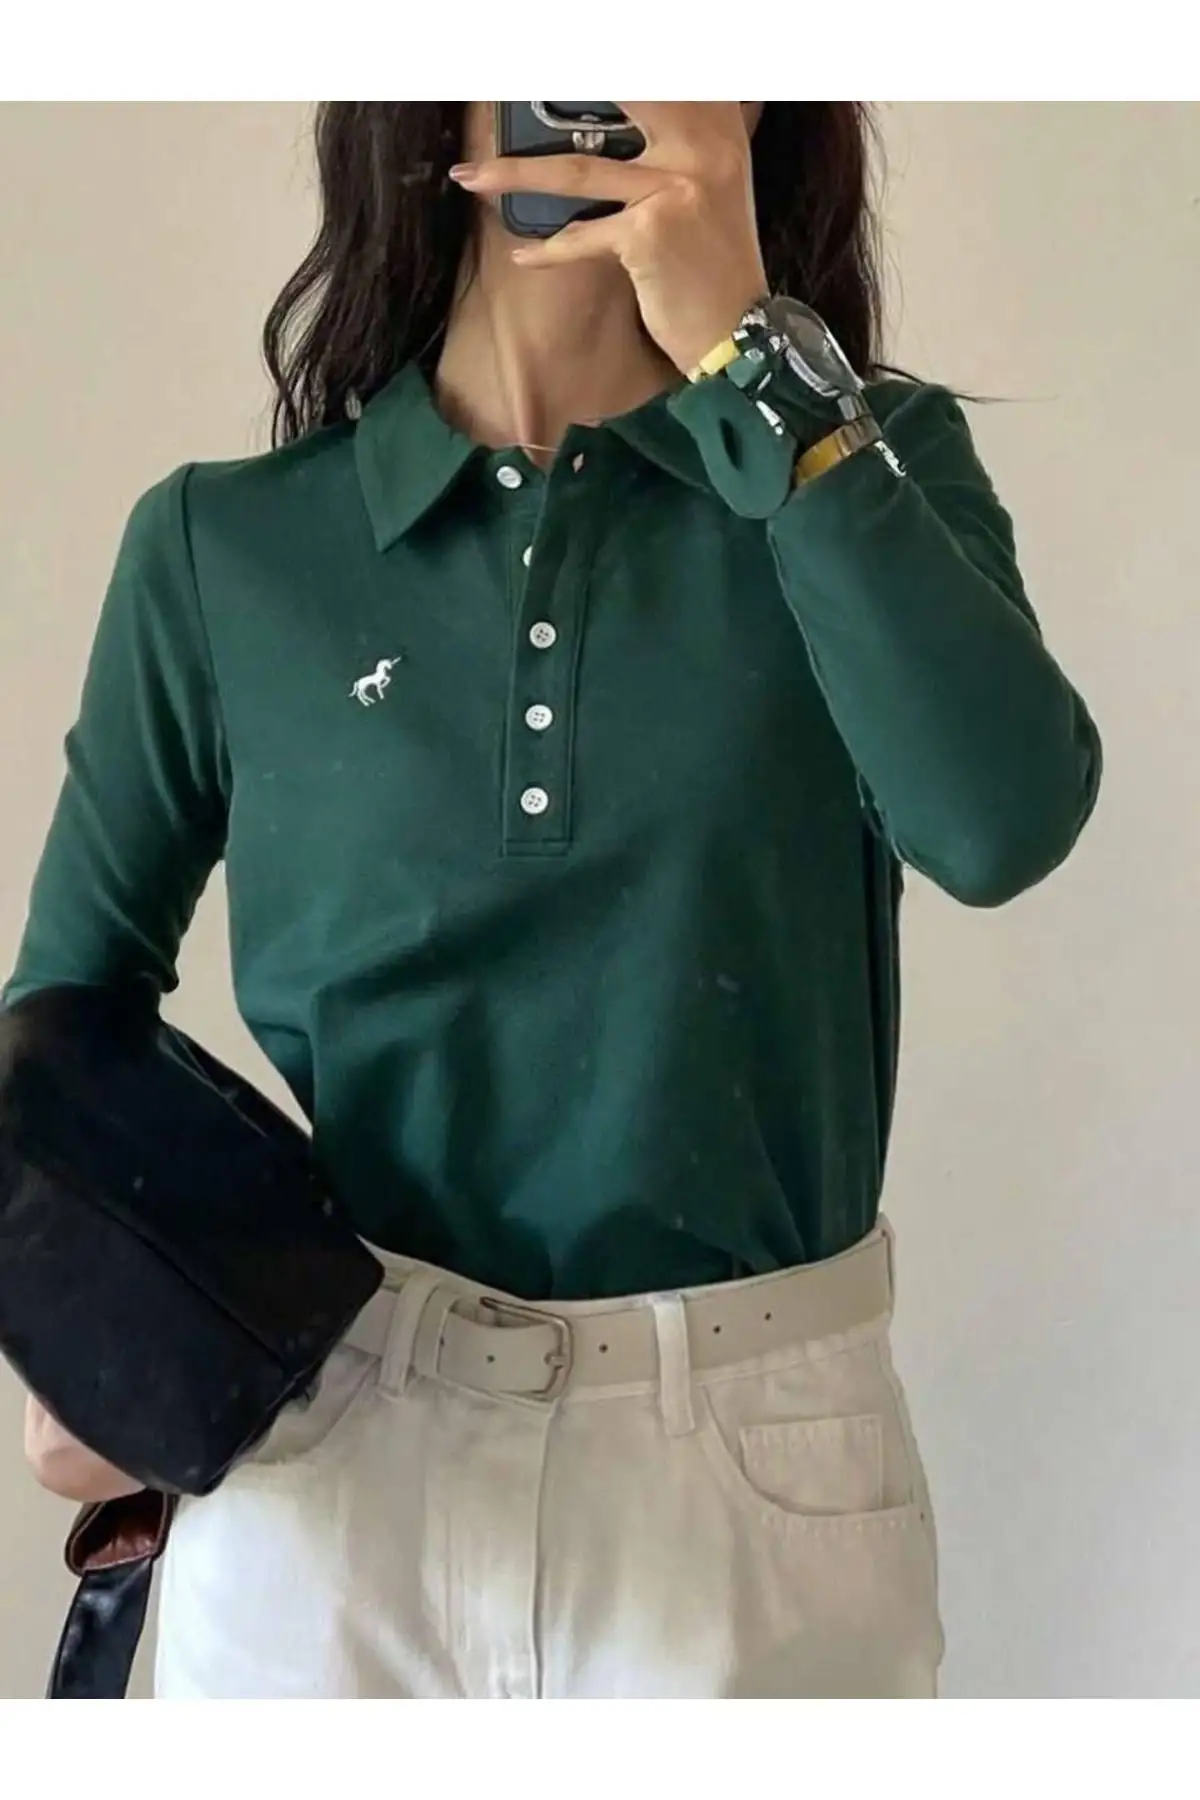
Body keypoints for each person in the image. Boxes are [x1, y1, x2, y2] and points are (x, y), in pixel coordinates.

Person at [6, 101, 1101, 1698]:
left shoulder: (859, 463)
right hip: (329, 1475)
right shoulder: (223, 545)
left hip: (750, 1463)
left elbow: (1001, 825)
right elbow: (65, 1013)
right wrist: (85, 1322)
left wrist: (756, 358)